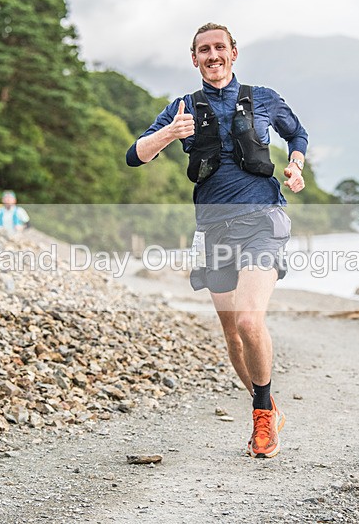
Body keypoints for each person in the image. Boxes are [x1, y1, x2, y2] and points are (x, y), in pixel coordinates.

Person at [126, 23, 308, 458]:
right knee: (232, 335)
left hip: (263, 220)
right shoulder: (182, 107)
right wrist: (170, 132)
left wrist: (296, 165)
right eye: (204, 50)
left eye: (219, 48)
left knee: (249, 321)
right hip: (213, 231)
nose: (213, 55)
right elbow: (136, 155)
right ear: (194, 59)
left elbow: (296, 134)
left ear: (233, 53)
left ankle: (262, 416)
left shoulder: (264, 97)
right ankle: (266, 403)